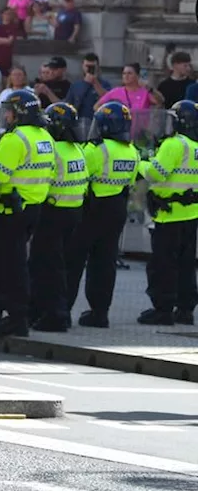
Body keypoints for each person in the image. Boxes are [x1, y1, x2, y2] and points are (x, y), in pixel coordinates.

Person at [0, 88, 55, 337]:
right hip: (33, 208)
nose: (6, 117)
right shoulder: (44, 137)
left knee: (8, 265)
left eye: (9, 113)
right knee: (17, 263)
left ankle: (14, 317)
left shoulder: (14, 139)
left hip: (10, 210)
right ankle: (14, 314)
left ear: (19, 114)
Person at [64, 102, 138, 328]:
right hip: (117, 210)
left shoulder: (96, 149)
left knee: (73, 261)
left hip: (91, 209)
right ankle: (100, 313)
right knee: (105, 263)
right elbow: (131, 183)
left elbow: (79, 176)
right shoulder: (132, 151)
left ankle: (62, 310)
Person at [135, 100, 198, 326]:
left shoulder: (174, 145)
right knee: (186, 264)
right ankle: (185, 309)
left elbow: (156, 173)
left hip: (168, 215)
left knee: (163, 264)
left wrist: (140, 164)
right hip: (190, 214)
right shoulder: (195, 146)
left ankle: (162, 309)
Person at [27, 102, 88, 332]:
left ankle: (54, 315)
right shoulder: (77, 150)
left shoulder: (53, 150)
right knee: (60, 266)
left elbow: (43, 179)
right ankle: (50, 311)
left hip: (53, 213)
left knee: (47, 267)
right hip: (74, 213)